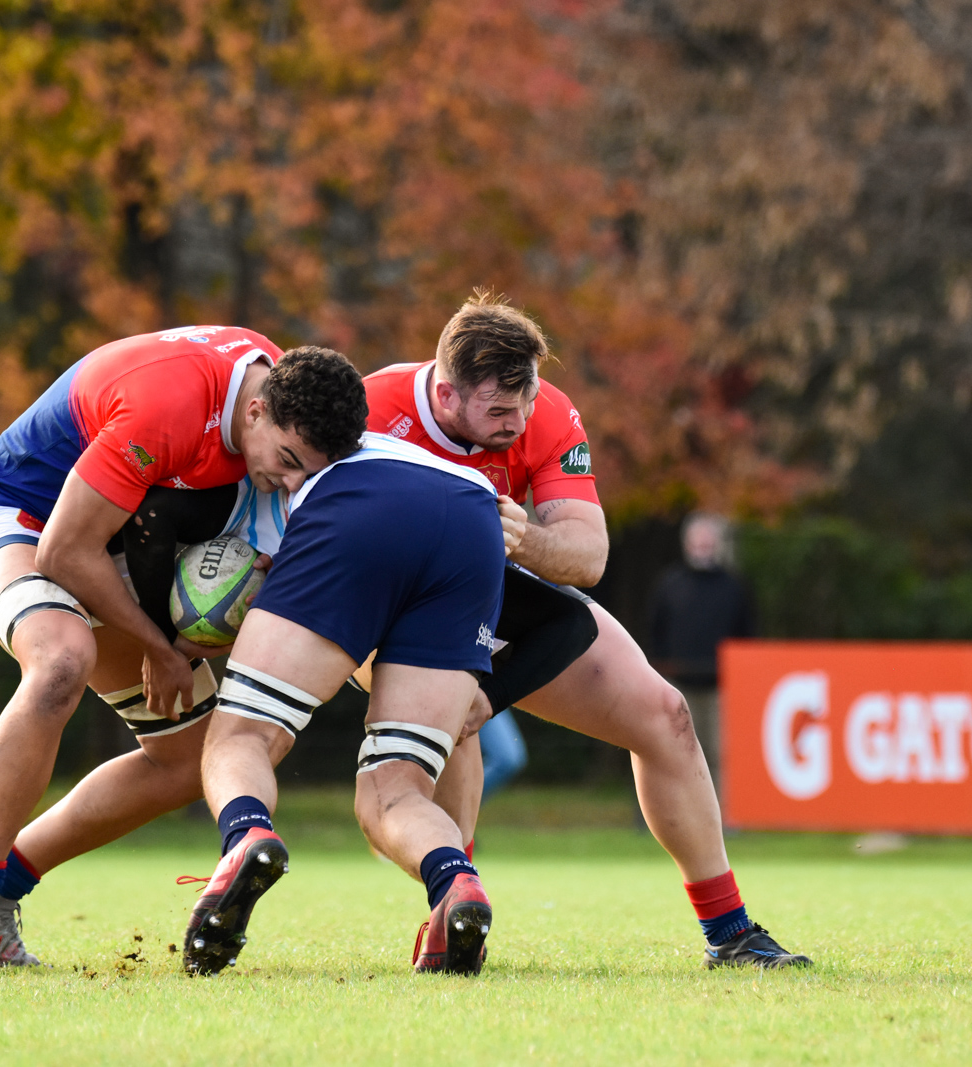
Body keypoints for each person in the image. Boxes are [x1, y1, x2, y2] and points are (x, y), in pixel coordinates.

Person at [362, 294, 810, 969]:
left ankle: (731, 933)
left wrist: (522, 537)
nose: (517, 422)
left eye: (525, 402)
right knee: (457, 728)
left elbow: (588, 557)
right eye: (499, 410)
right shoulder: (372, 411)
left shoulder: (544, 411)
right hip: (390, 604)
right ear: (446, 393)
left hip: (503, 594)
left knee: (665, 714)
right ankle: (453, 912)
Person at [0, 328, 367, 969]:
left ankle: (0, 887)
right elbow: (63, 551)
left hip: (104, 545)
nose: (290, 480)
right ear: (254, 411)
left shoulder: (281, 390)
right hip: (16, 520)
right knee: (60, 662)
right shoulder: (169, 403)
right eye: (288, 459)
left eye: (308, 471)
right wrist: (162, 648)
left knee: (193, 760)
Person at [182, 433, 509, 977]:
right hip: (476, 520)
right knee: (395, 788)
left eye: (291, 464)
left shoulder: (278, 445)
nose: (286, 476)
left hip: (357, 504)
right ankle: (455, 881)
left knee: (244, 735)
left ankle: (246, 837)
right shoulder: (408, 447)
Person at [646, 512, 757, 789]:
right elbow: (655, 631)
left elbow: (747, 634)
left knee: (721, 755)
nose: (703, 547)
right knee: (679, 753)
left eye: (708, 541)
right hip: (678, 688)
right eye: (698, 541)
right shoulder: (670, 584)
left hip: (721, 688)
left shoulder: (733, 587)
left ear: (716, 544)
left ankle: (720, 812)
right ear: (687, 543)